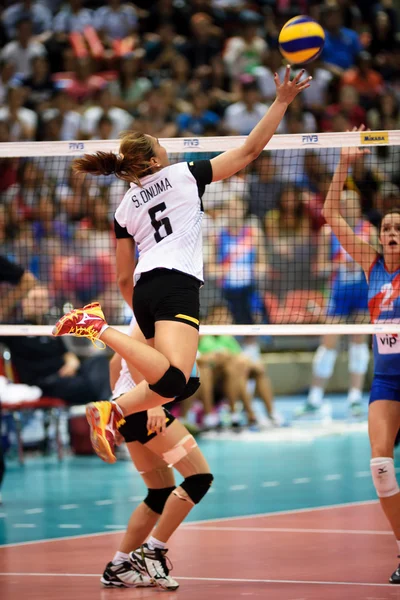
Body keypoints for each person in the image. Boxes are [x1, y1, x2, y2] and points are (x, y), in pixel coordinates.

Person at [52, 66, 312, 463]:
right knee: (175, 379)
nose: (165, 145)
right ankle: (96, 328)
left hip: (145, 290)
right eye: (159, 143)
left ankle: (112, 410)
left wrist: (141, 314)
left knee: (178, 384)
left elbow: (123, 276)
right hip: (176, 284)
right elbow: (249, 151)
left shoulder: (123, 207)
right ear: (153, 160)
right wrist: (281, 101)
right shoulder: (183, 175)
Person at [320, 125, 400, 584]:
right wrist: (345, 164)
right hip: (388, 382)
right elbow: (331, 214)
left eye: (397, 228)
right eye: (386, 227)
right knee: (381, 466)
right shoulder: (371, 266)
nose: (391, 232)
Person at [101, 315, 211, 591]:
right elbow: (134, 360)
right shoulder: (155, 310)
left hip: (130, 410)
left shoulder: (163, 309)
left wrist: (119, 406)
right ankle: (152, 550)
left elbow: (117, 362)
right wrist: (150, 404)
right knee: (198, 478)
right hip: (144, 410)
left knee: (160, 493)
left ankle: (119, 565)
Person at [297, 189, 376, 418]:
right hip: (338, 292)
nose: (350, 208)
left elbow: (374, 263)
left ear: (359, 207)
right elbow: (319, 267)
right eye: (345, 204)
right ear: (340, 207)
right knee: (328, 345)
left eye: (353, 204)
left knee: (359, 343)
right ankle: (314, 398)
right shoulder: (328, 231)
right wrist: (340, 266)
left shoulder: (368, 230)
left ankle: (355, 398)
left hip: (362, 291)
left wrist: (359, 265)